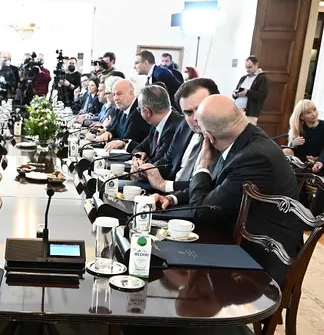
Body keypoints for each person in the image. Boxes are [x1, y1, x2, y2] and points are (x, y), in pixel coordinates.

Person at [155, 95, 303, 285]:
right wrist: (173, 198)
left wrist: (203, 164)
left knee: (166, 257)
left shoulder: (254, 157)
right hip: (237, 234)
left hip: (260, 258)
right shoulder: (243, 138)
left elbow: (203, 211)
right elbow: (218, 187)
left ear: (208, 137)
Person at [138, 78, 221, 195]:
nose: (195, 118)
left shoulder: (224, 139)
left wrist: (165, 185)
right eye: (188, 113)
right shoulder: (184, 126)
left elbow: (211, 186)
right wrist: (144, 171)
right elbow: (168, 160)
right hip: (165, 194)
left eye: (200, 109)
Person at [117, 85, 183, 170]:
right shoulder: (156, 123)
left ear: (147, 111)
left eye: (139, 109)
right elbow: (140, 147)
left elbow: (159, 162)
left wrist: (140, 166)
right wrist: (139, 155)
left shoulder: (174, 128)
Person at [95, 79, 150, 146]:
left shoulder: (139, 111)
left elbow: (128, 139)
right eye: (114, 94)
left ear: (131, 93)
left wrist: (108, 139)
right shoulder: (120, 109)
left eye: (119, 94)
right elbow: (114, 129)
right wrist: (108, 133)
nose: (115, 98)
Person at [284, 99, 324, 174]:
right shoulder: (298, 128)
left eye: (314, 110)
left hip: (320, 161)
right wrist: (294, 144)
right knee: (286, 151)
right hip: (303, 160)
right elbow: (296, 151)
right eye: (308, 113)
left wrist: (319, 160)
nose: (313, 114)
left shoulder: (322, 125)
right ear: (302, 117)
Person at [233, 55, 269, 125]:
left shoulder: (262, 78)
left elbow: (262, 95)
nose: (247, 70)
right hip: (238, 111)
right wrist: (235, 94)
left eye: (250, 67)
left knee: (248, 130)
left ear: (256, 65)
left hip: (250, 113)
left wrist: (247, 93)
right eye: (246, 67)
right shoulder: (243, 78)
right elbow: (237, 89)